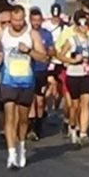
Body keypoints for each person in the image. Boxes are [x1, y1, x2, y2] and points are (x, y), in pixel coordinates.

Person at [0, 5, 48, 169]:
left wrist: (29, 51)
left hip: (26, 81)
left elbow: (43, 57)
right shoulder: (3, 33)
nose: (17, 23)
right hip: (8, 81)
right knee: (9, 115)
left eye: (20, 20)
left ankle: (21, 147)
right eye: (14, 20)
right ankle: (11, 154)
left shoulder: (32, 34)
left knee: (23, 119)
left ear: (24, 18)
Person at [59, 9, 89, 147]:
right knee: (74, 105)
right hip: (74, 74)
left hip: (88, 73)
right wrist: (72, 60)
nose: (84, 26)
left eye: (86, 23)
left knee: (85, 103)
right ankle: (73, 126)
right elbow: (61, 55)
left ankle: (83, 133)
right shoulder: (72, 39)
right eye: (82, 23)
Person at [28, 8, 56, 141]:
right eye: (34, 20)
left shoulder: (46, 34)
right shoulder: (27, 34)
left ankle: (39, 124)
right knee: (31, 100)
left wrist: (48, 53)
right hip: (28, 70)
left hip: (41, 70)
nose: (36, 23)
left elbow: (52, 50)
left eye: (38, 20)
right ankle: (31, 127)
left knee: (40, 101)